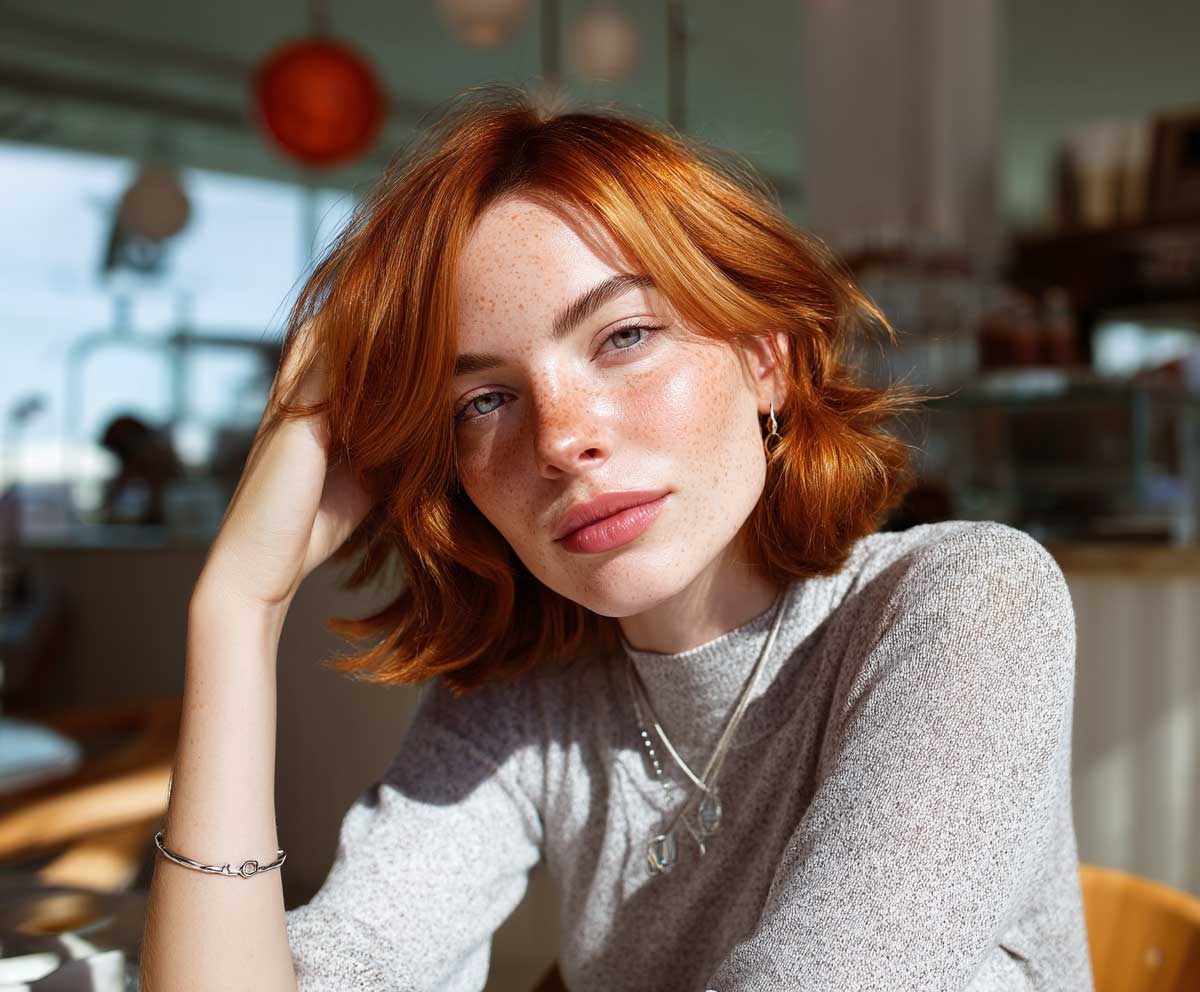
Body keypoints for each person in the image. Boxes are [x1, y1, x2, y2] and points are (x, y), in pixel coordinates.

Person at [139, 83, 1094, 992]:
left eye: (624, 337)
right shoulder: (527, 702)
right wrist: (237, 611)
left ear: (767, 356)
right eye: (484, 400)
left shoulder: (963, 605)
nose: (559, 439)